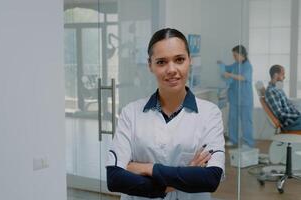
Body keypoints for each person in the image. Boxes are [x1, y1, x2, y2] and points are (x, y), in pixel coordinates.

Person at [106, 28, 225, 200]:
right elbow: (115, 179)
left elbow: (210, 179)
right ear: (150, 65)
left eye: (179, 60)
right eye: (161, 62)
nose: (171, 69)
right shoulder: (131, 113)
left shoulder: (210, 113)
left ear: (190, 61)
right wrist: (184, 176)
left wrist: (147, 168)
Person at [217, 45, 254, 148]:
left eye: (235, 55)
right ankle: (233, 140)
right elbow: (227, 69)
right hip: (234, 98)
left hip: (245, 99)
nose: (234, 57)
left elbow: (243, 78)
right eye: (233, 55)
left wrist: (229, 75)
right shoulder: (235, 64)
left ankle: (248, 142)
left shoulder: (248, 66)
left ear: (242, 55)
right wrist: (221, 64)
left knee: (246, 121)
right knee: (232, 120)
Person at [265, 65, 301, 131]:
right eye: (283, 74)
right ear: (276, 75)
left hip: (295, 119)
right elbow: (280, 114)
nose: (284, 77)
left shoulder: (278, 87)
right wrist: (298, 116)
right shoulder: (271, 91)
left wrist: (298, 114)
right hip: (290, 123)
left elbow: (287, 104)